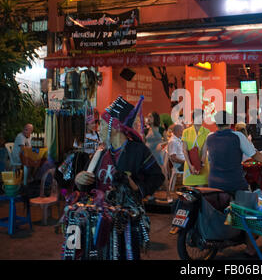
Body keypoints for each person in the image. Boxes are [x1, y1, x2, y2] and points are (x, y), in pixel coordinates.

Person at [74, 96, 165, 260]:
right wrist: (80, 180)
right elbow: (89, 183)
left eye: (102, 124)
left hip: (125, 223)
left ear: (114, 127)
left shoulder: (138, 151)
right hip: (99, 220)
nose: (98, 128)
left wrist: (136, 187)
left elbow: (157, 178)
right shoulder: (101, 153)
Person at [204, 110, 262, 257]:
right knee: (252, 210)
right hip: (234, 182)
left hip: (212, 182)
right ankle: (250, 247)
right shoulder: (237, 136)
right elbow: (254, 154)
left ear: (216, 123)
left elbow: (207, 157)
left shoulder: (210, 137)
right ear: (230, 122)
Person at [182, 109, 210, 187]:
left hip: (202, 165)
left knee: (202, 193)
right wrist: (191, 166)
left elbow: (204, 152)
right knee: (189, 193)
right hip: (189, 165)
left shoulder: (207, 132)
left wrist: (199, 167)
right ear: (193, 118)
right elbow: (184, 150)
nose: (201, 119)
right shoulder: (186, 132)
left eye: (202, 117)